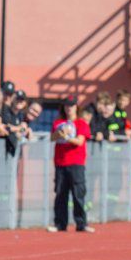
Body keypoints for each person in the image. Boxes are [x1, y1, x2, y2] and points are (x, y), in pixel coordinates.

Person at [49, 97, 93, 232]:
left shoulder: (81, 124)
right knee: (61, 194)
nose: (69, 109)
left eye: (72, 106)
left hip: (76, 163)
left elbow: (80, 141)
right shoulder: (58, 122)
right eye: (67, 106)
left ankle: (81, 224)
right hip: (61, 163)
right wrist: (59, 134)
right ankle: (60, 224)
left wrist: (67, 136)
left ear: (76, 107)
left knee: (78, 194)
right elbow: (52, 138)